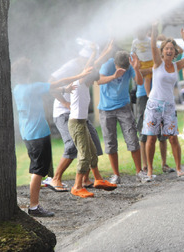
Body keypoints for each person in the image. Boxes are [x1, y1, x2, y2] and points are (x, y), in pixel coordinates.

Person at [12, 58, 92, 217]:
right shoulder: (31, 88)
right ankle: (34, 206)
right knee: (38, 170)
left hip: (28, 133)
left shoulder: (18, 89)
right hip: (37, 134)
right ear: (28, 73)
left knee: (38, 169)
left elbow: (49, 88)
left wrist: (64, 90)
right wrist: (80, 74)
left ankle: (35, 203)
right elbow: (57, 82)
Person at [48, 40, 107, 192]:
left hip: (78, 116)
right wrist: (64, 101)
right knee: (73, 146)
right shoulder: (71, 69)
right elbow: (51, 84)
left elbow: (93, 65)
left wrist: (100, 51)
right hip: (64, 113)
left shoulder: (84, 72)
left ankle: (90, 179)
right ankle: (57, 179)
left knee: (93, 142)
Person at [142, 23, 184, 179]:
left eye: (171, 48)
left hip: (169, 106)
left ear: (174, 51)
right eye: (166, 49)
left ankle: (178, 169)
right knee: (151, 138)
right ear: (162, 52)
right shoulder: (158, 64)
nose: (169, 50)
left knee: (173, 138)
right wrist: (154, 31)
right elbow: (152, 47)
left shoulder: (176, 66)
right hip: (154, 105)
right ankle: (150, 171)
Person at [68, 46, 118, 197]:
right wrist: (94, 53)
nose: (93, 83)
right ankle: (77, 187)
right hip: (76, 123)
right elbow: (89, 67)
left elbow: (92, 67)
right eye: (92, 80)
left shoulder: (85, 85)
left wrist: (104, 51)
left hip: (82, 122)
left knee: (92, 152)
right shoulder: (78, 83)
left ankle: (98, 180)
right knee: (84, 155)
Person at [97, 50, 146, 184]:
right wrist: (114, 76)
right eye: (121, 67)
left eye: (125, 68)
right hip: (106, 109)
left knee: (132, 139)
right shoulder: (107, 66)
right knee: (110, 143)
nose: (123, 70)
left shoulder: (129, 66)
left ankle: (139, 172)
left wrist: (136, 68)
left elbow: (140, 82)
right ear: (115, 63)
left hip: (124, 107)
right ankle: (116, 175)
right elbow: (99, 81)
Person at [131, 27, 154, 96]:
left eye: (142, 32)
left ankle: (151, 93)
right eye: (138, 32)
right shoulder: (135, 42)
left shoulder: (149, 40)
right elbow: (133, 52)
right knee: (147, 79)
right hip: (142, 62)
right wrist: (137, 60)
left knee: (154, 77)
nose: (140, 34)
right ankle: (148, 94)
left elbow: (155, 49)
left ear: (146, 32)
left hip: (151, 61)